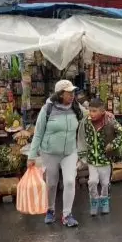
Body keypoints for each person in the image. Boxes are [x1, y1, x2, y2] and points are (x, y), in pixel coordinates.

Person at [27, 79, 84, 227]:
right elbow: (38, 134)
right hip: (50, 153)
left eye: (73, 92)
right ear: (59, 94)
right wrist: (31, 156)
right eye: (68, 93)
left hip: (70, 152)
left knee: (70, 181)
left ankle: (67, 215)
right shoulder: (47, 109)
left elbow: (91, 116)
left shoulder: (76, 107)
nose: (72, 95)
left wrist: (107, 115)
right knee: (51, 183)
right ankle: (50, 209)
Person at [80, 99, 122, 216]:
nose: (91, 113)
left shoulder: (109, 121)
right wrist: (82, 154)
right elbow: (81, 136)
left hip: (105, 159)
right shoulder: (86, 122)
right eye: (90, 111)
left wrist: (113, 144)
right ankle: (94, 201)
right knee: (92, 181)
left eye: (94, 111)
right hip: (92, 159)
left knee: (105, 183)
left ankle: (105, 200)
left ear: (102, 111)